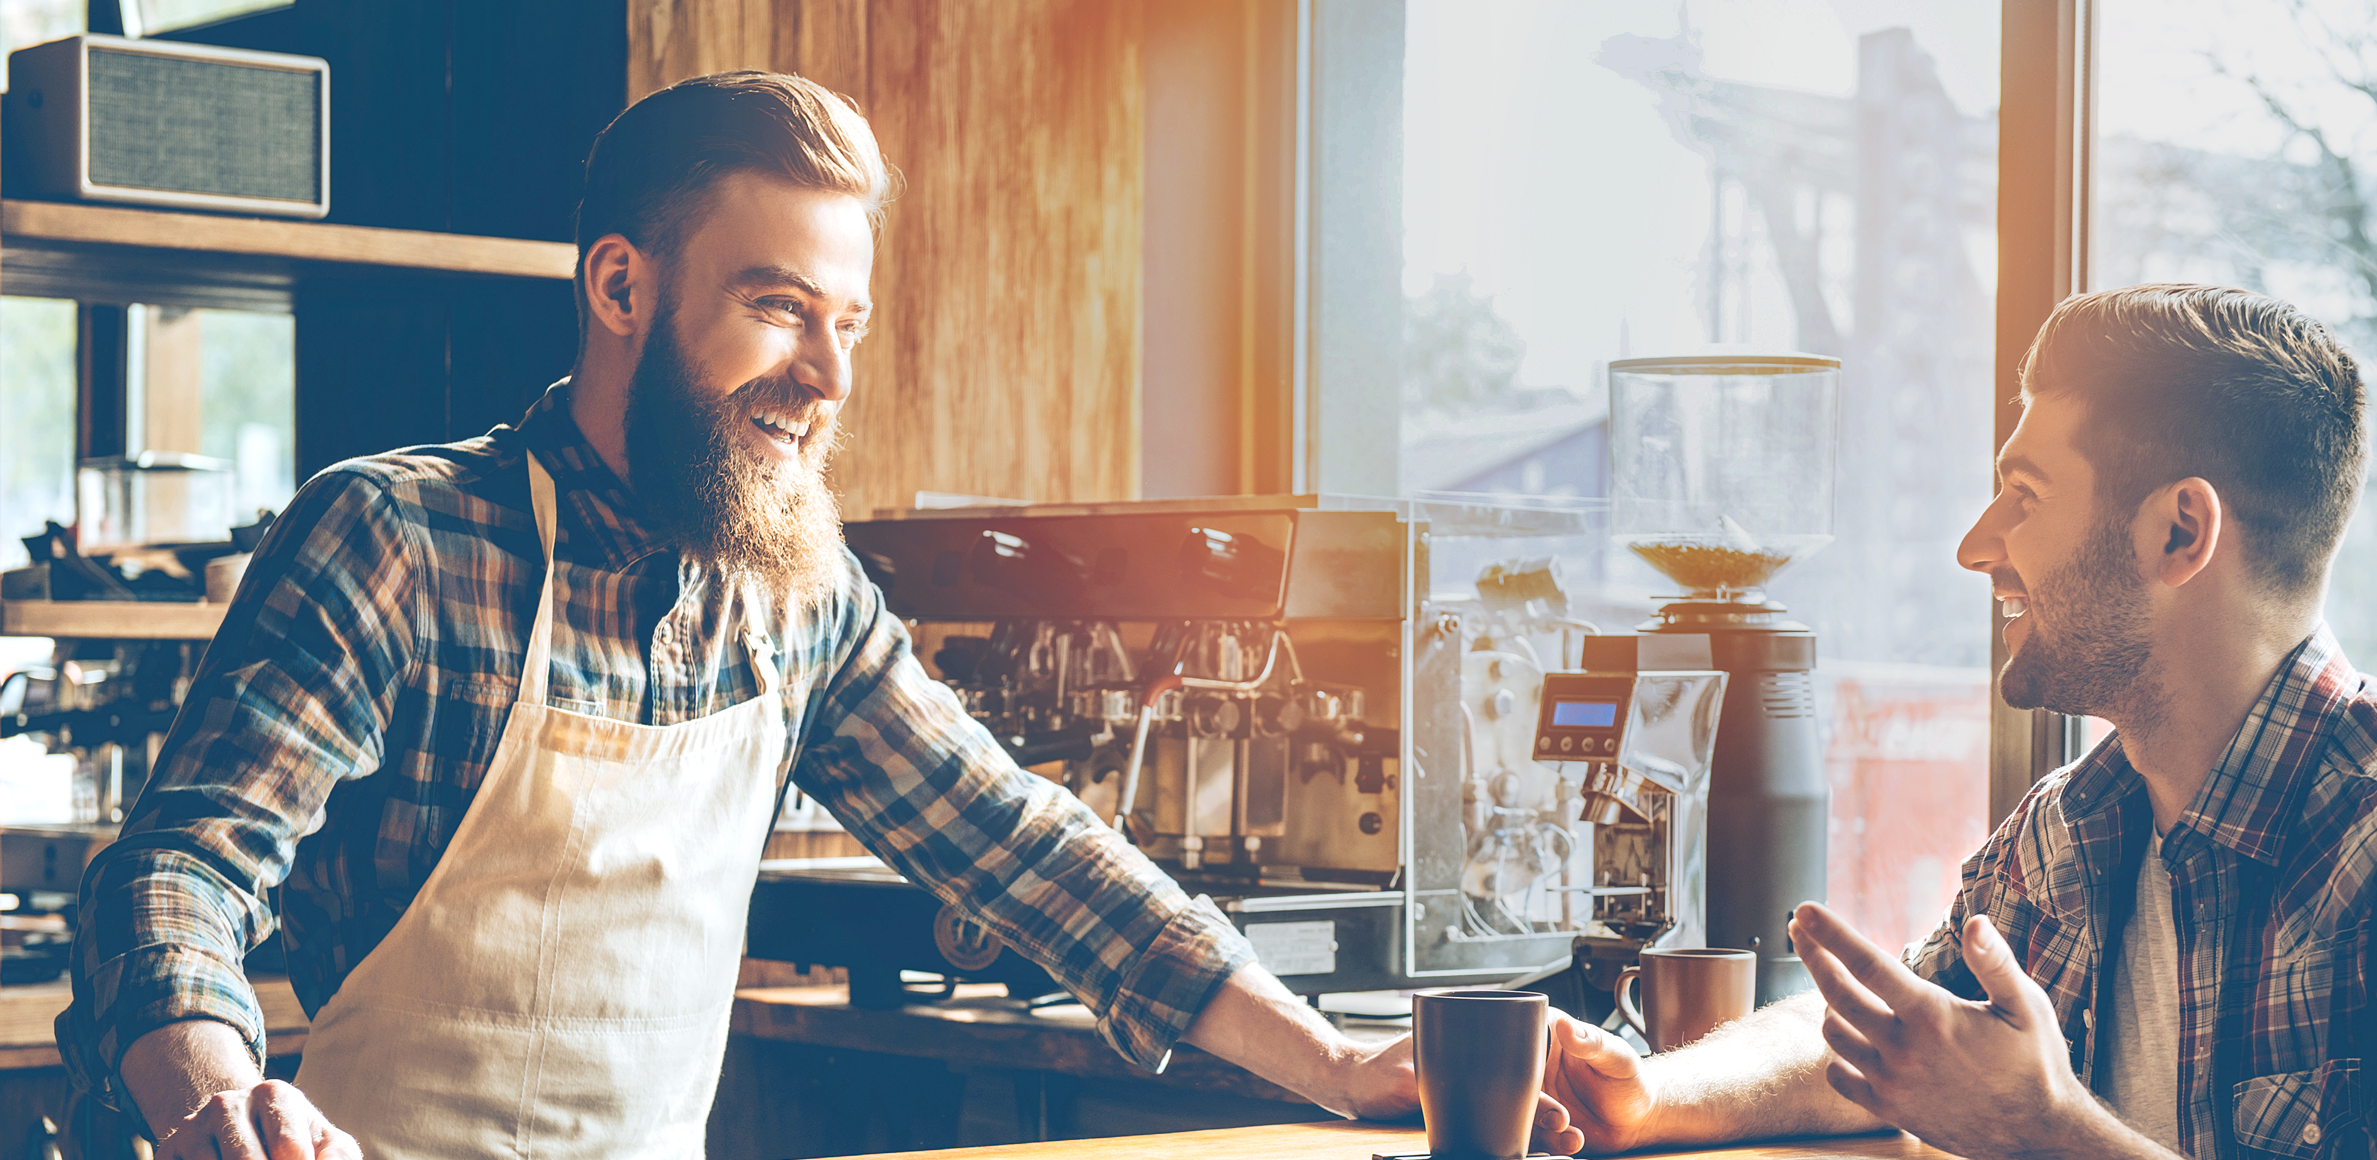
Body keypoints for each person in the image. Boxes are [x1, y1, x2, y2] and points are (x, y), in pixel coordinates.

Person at [62, 71, 1414, 1160]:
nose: (825, 375)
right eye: (778, 309)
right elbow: (177, 873)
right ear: (619, 288)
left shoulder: (801, 592)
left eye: (848, 324)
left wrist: (1338, 1064)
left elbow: (1017, 845)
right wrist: (218, 1100)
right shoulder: (401, 540)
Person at [1532, 285, 2377, 1159]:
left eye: (2021, 494)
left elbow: (2015, 1110)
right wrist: (1647, 1095)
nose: (1976, 546)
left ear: (2178, 529)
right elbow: (1893, 1032)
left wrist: (2053, 1130)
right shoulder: (2072, 822)